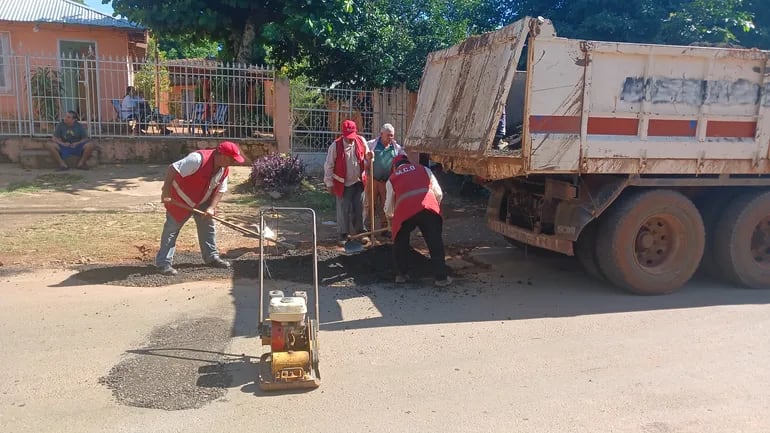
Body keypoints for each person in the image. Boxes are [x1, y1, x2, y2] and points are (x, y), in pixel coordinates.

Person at [156, 141, 246, 276]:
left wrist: (211, 207)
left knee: (208, 226)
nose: (234, 162)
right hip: (180, 199)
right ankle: (163, 263)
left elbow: (220, 190)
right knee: (171, 229)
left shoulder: (224, 169)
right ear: (222, 155)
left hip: (203, 201)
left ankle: (211, 257)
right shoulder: (197, 159)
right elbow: (173, 168)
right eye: (231, 158)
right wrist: (166, 191)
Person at [384, 154, 451, 287]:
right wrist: (433, 207)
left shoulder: (392, 178)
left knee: (400, 241)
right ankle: (441, 278)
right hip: (428, 208)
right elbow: (438, 193)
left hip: (405, 212)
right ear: (408, 162)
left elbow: (389, 207)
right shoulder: (424, 169)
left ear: (394, 167)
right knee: (435, 242)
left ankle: (401, 275)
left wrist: (392, 217)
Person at [324, 119, 370, 246]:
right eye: (348, 137)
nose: (351, 140)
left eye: (352, 137)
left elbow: (367, 156)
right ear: (343, 134)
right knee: (343, 209)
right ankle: (343, 234)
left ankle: (360, 233)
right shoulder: (335, 146)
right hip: (342, 184)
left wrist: (370, 157)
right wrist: (329, 183)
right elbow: (329, 166)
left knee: (359, 208)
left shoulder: (361, 141)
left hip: (358, 182)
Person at [366, 123, 405, 238]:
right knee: (370, 205)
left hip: (387, 182)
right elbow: (364, 159)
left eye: (392, 135)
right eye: (388, 135)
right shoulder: (371, 145)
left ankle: (385, 228)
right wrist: (367, 161)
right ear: (381, 134)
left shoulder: (396, 148)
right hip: (373, 180)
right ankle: (369, 229)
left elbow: (403, 158)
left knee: (386, 206)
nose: (390, 138)